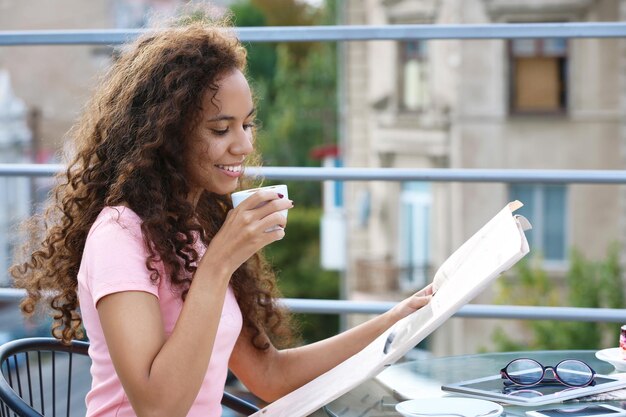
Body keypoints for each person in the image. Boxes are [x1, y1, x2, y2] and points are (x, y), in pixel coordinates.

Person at [11, 14, 433, 417]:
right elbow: (158, 408)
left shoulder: (193, 230)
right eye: (221, 129)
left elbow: (271, 375)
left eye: (247, 124)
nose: (244, 145)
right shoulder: (119, 238)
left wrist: (395, 320)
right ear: (167, 133)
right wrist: (219, 262)